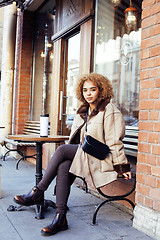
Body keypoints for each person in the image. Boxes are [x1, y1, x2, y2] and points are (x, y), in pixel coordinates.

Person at [13, 73, 131, 236]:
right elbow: (77, 139)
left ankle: (37, 192)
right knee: (64, 165)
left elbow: (114, 140)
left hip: (101, 158)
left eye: (93, 90)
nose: (88, 93)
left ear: (101, 90)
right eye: (85, 90)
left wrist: (121, 166)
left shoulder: (109, 110)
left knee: (62, 150)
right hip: (84, 156)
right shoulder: (83, 111)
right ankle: (60, 218)